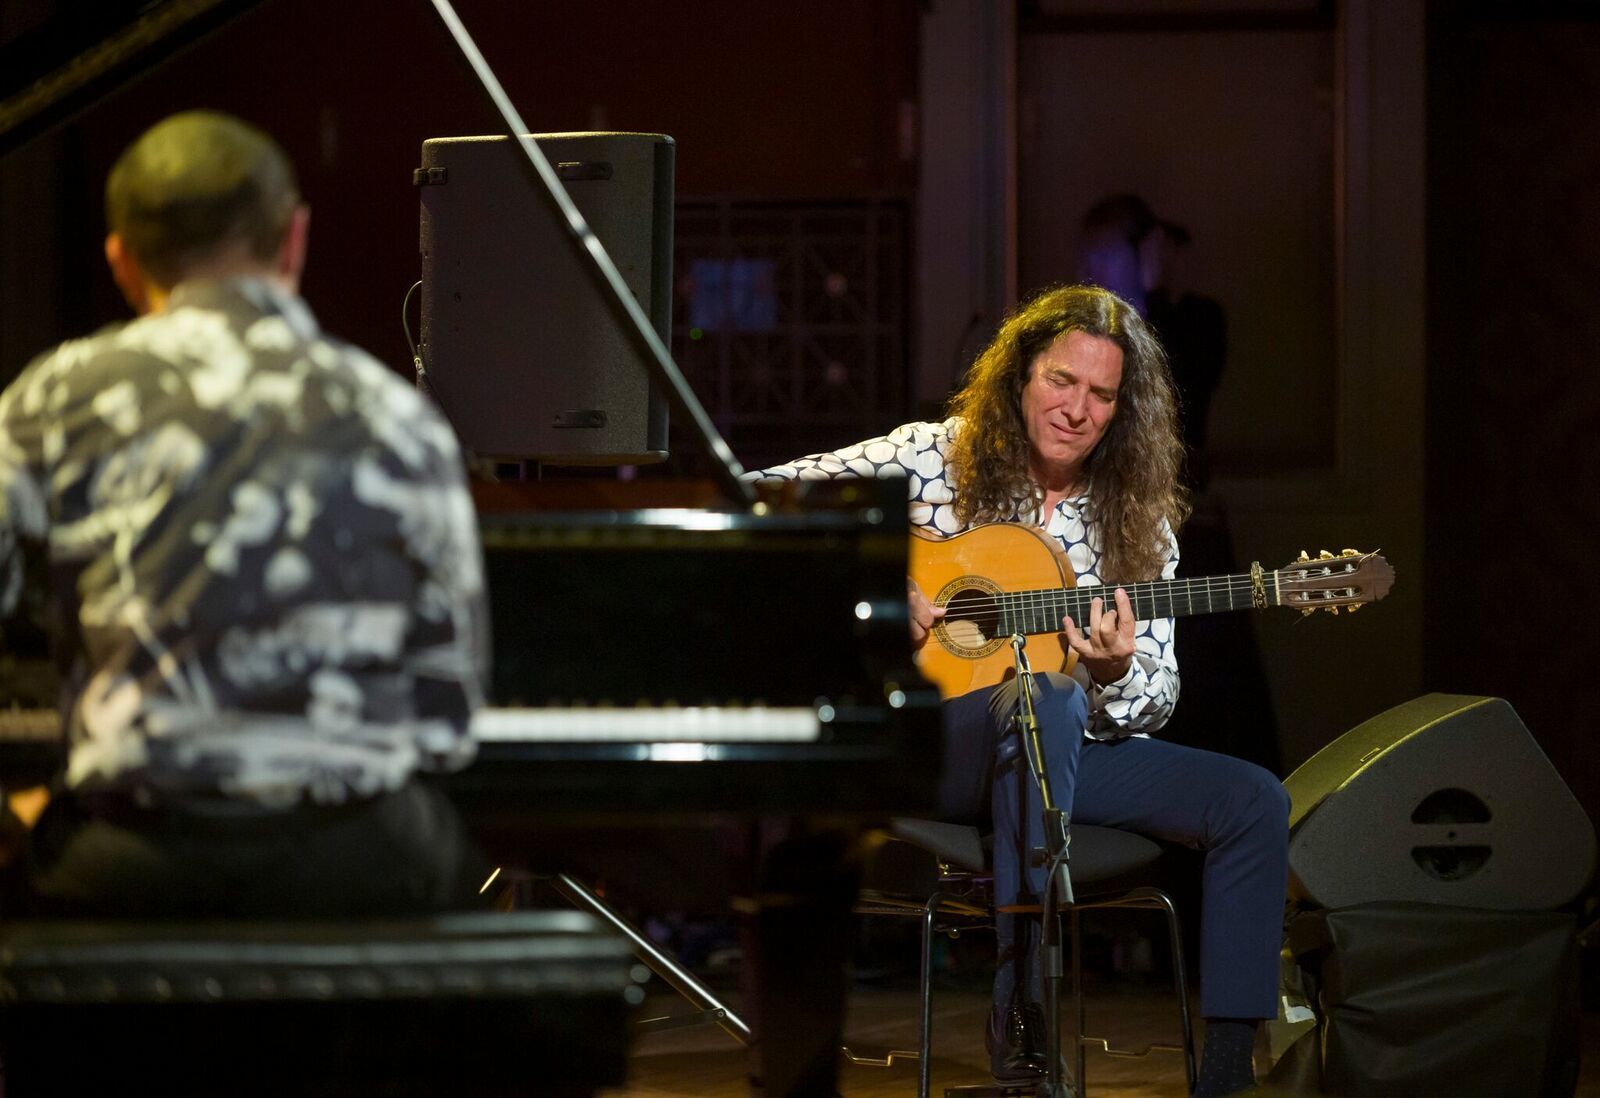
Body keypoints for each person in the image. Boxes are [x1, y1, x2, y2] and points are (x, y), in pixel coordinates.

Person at [746, 285, 1288, 1098]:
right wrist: (875, 586)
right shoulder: (935, 456)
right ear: (1021, 375)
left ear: (1123, 410)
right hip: (927, 744)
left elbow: (1159, 695)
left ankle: (1227, 1075)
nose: (1077, 409)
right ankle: (1023, 1020)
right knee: (1046, 700)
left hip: (1063, 755)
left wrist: (1114, 672)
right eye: (1061, 380)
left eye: (1101, 394)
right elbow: (758, 494)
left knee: (1250, 799)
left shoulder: (1138, 524)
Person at [0, 110, 490, 918]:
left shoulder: (51, 399)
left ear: (122, 262)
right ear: (294, 239)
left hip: (128, 861)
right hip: (351, 862)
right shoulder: (395, 414)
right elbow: (448, 715)